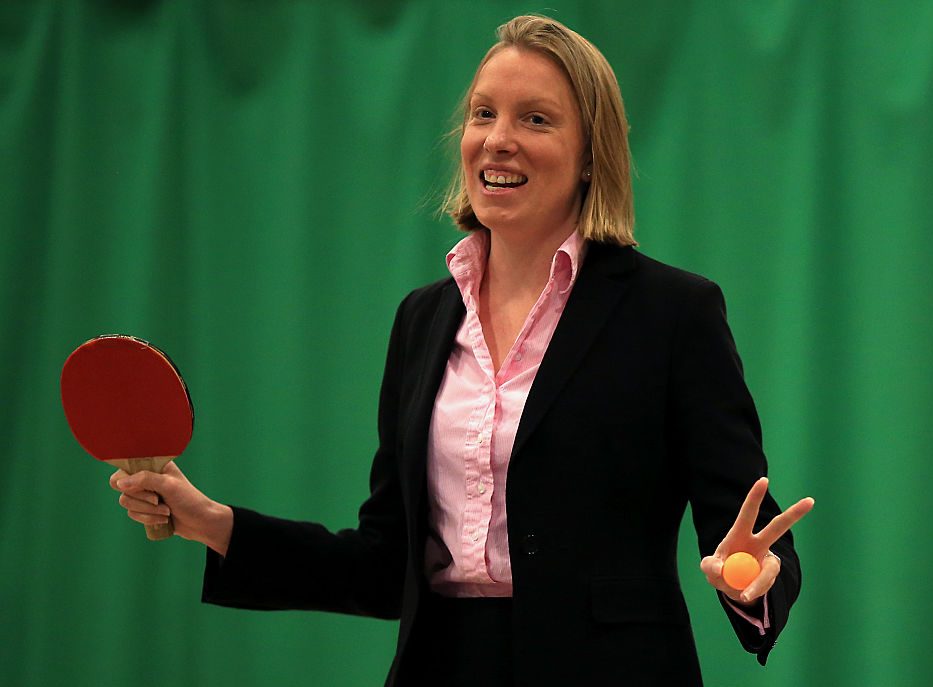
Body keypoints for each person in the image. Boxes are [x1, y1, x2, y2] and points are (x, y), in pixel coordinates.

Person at [110, 15, 814, 687]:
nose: (497, 140)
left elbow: (752, 533)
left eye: (534, 119)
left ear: (592, 154)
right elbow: (385, 562)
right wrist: (210, 520)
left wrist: (749, 579)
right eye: (483, 114)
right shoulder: (422, 320)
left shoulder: (672, 312)